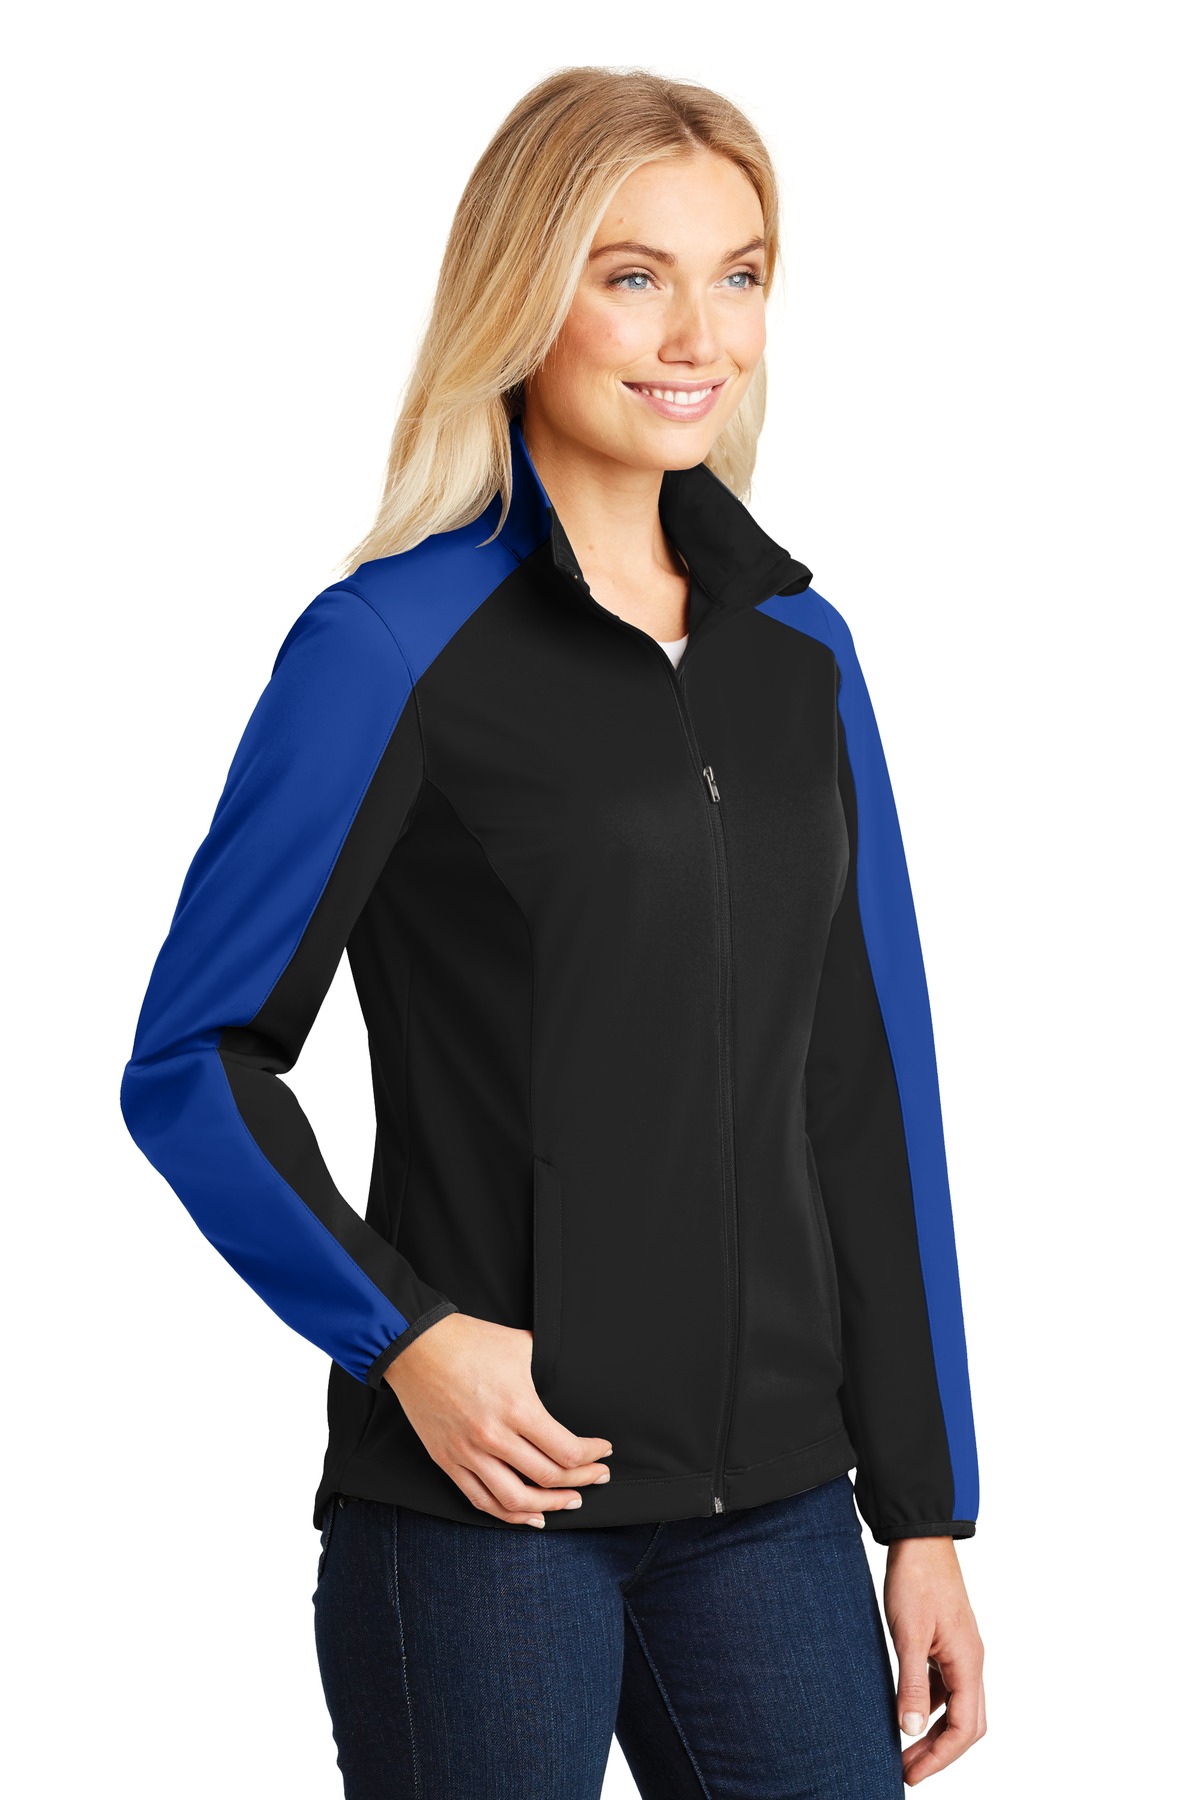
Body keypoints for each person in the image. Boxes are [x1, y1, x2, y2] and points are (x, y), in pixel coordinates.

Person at [119, 64, 986, 1798]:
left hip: (775, 1512)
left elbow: (866, 1089)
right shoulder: (388, 646)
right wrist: (407, 1337)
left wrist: (926, 1511)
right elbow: (195, 1064)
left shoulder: (801, 656)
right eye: (632, 273)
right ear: (527, 295)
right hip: (487, 1508)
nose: (698, 335)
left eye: (739, 274)